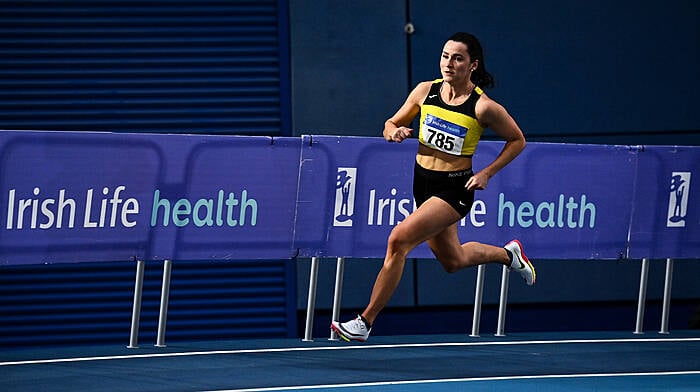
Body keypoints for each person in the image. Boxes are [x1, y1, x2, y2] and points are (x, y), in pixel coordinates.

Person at [331, 32, 536, 342]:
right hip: (423, 183)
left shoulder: (483, 107)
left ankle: (365, 321)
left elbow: (517, 140)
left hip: (455, 189)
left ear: (472, 65)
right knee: (453, 261)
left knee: (398, 241)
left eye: (457, 58)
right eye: (444, 56)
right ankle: (509, 255)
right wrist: (394, 131)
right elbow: (389, 122)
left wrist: (488, 172)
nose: (448, 63)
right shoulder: (425, 91)